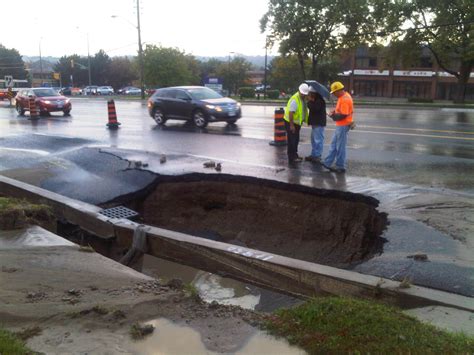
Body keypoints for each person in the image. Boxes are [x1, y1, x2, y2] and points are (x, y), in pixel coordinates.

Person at [322, 81, 354, 173]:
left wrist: (332, 116)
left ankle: (340, 166)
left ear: (339, 90)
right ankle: (327, 162)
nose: (334, 94)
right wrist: (335, 112)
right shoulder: (343, 97)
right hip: (341, 125)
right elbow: (341, 112)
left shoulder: (344, 99)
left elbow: (343, 115)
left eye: (334, 92)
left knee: (340, 146)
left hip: (343, 125)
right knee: (334, 144)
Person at [283, 83, 309, 163]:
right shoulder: (295, 99)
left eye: (305, 94)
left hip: (297, 123)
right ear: (299, 91)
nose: (304, 95)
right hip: (291, 123)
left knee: (295, 140)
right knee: (292, 140)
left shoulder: (302, 98)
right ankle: (292, 157)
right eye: (303, 93)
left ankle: (295, 155)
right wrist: (291, 125)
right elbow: (291, 113)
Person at [305, 88, 326, 163]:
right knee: (313, 140)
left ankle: (317, 156)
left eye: (310, 93)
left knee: (318, 140)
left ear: (314, 93)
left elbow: (314, 109)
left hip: (318, 123)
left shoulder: (319, 100)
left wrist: (309, 101)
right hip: (315, 123)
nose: (309, 94)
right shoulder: (316, 100)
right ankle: (313, 154)